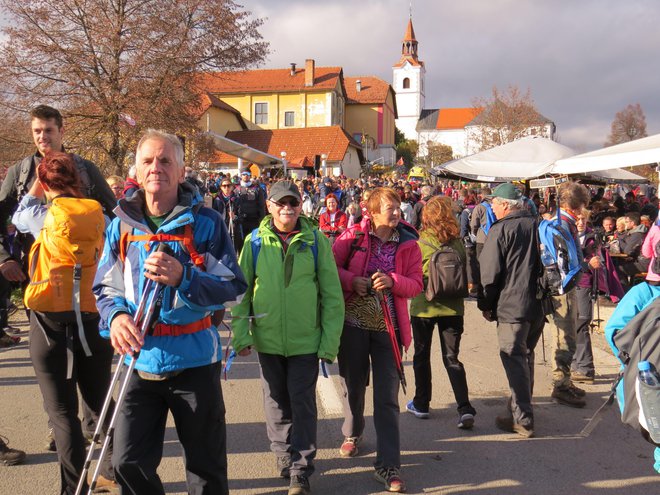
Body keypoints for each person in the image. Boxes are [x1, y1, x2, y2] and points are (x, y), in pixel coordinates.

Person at [93, 129, 247, 495]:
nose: (156, 168)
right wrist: (115, 317)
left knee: (205, 468)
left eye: (165, 161)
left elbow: (232, 287)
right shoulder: (121, 226)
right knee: (126, 462)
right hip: (138, 360)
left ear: (181, 171)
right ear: (136, 170)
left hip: (194, 361)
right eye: (148, 161)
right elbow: (104, 287)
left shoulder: (206, 223)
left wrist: (185, 277)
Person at [0, 104, 116, 451]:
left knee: (87, 367)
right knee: (56, 368)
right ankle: (64, 431)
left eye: (48, 131)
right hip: (40, 279)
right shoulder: (22, 171)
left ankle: (88, 432)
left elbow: (113, 213)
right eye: (36, 132)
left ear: (61, 132)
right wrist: (5, 258)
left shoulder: (84, 168)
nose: (42, 137)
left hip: (88, 285)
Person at [12, 151, 116, 493]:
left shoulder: (40, 216)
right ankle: (116, 470)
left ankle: (74, 489)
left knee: (62, 414)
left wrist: (38, 188)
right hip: (92, 319)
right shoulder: (99, 215)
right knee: (102, 404)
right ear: (79, 181)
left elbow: (18, 214)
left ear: (45, 184)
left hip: (49, 322)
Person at [231, 181, 343, 495]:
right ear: (270, 206)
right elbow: (241, 294)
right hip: (267, 340)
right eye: (281, 203)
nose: (287, 209)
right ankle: (283, 454)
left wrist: (329, 341)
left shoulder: (316, 241)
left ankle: (301, 469)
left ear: (300, 205)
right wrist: (241, 335)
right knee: (276, 402)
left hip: (305, 340)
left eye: (293, 203)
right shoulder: (254, 242)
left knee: (303, 404)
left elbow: (332, 296)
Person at [332, 187, 423, 493]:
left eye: (398, 206)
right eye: (389, 207)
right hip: (353, 326)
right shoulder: (352, 237)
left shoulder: (409, 243)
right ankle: (354, 431)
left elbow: (416, 285)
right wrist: (351, 281)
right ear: (370, 211)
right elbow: (332, 270)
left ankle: (388, 466)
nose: (396, 212)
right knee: (353, 387)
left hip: (390, 332)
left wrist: (393, 281)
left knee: (387, 399)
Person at [477, 183, 544, 437]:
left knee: (515, 359)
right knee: (525, 357)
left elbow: (489, 275)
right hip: (537, 305)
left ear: (505, 205)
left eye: (494, 201)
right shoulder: (537, 225)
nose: (491, 205)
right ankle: (519, 410)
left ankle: (523, 419)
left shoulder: (501, 229)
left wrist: (486, 305)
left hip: (512, 306)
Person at [407, 196, 477, 429]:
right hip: (453, 307)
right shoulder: (457, 243)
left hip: (424, 306)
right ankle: (464, 407)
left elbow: (413, 273)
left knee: (421, 355)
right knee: (452, 357)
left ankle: (422, 403)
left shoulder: (419, 241)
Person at [545, 182, 601, 408]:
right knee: (565, 337)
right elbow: (566, 263)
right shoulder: (563, 225)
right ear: (580, 206)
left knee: (565, 335)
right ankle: (561, 384)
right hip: (563, 289)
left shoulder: (556, 221)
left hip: (560, 287)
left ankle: (564, 380)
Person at [236, 170, 266, 253]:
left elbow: (261, 205)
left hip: (253, 220)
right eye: (244, 174)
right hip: (240, 221)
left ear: (250, 176)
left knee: (254, 241)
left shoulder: (256, 188)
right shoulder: (236, 188)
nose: (246, 176)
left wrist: (262, 219)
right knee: (240, 242)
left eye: (248, 174)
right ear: (241, 175)